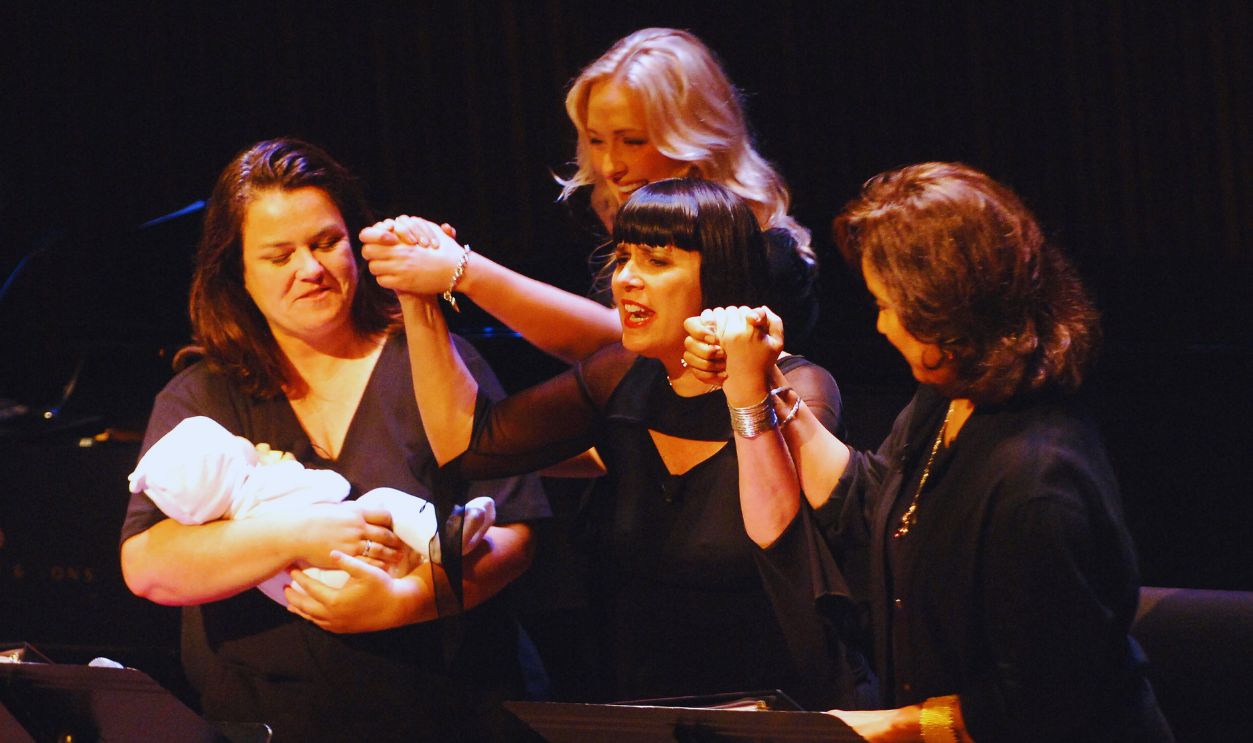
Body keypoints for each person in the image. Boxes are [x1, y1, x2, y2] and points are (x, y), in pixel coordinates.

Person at [362, 178, 875, 711]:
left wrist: (746, 378)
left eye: (656, 261)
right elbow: (468, 444)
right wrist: (416, 295)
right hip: (649, 703)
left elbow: (775, 532)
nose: (626, 278)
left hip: (783, 706)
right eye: (624, 257)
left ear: (720, 276)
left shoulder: (801, 386)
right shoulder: (622, 376)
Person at [706, 162, 1173, 741]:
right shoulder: (948, 399)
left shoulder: (1037, 485)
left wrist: (882, 725)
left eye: (886, 305)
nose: (881, 326)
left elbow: (1044, 703)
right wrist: (762, 380)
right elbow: (871, 502)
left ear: (941, 312)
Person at [119, 138, 549, 742]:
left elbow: (516, 530)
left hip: (452, 714)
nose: (311, 270)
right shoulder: (202, 395)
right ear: (237, 272)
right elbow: (147, 566)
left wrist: (405, 600)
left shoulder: (433, 359)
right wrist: (297, 534)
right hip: (268, 720)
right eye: (279, 255)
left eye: (325, 243)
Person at [375, 27, 818, 363]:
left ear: (693, 136)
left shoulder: (765, 252)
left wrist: (465, 270)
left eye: (632, 141)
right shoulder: (612, 235)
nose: (609, 166)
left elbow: (623, 344)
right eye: (596, 141)